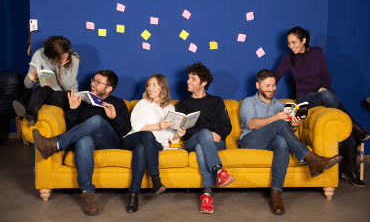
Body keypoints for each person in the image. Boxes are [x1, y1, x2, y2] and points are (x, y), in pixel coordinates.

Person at [274, 26, 369, 188]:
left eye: (294, 42)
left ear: (304, 41)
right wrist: (266, 91)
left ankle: (350, 171)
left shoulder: (316, 52)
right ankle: (357, 127)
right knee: (328, 96)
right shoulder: (288, 57)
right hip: (305, 99)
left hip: (323, 95)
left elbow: (326, 75)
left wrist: (324, 86)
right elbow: (275, 76)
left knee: (341, 122)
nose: (291, 46)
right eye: (289, 43)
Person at [238, 69, 342, 215]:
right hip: (250, 141)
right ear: (258, 85)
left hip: (272, 142)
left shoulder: (280, 105)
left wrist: (293, 126)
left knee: (281, 140)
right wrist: (277, 119)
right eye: (267, 85)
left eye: (273, 85)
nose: (271, 89)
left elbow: (284, 131)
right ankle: (311, 158)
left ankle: (276, 194)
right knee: (279, 123)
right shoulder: (248, 102)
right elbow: (252, 125)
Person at [32, 70, 131, 216]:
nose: (92, 84)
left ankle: (56, 144)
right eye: (93, 80)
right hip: (86, 142)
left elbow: (126, 132)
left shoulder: (118, 103)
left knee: (96, 120)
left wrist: (114, 118)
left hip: (109, 142)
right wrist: (73, 109)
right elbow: (74, 130)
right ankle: (88, 195)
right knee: (83, 141)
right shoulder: (83, 101)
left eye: (98, 82)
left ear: (108, 88)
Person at [175, 62, 235, 214]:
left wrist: (217, 135)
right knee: (204, 134)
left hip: (216, 142)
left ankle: (207, 195)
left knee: (202, 147)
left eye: (193, 79)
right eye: (189, 78)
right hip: (192, 141)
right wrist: (206, 133)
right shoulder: (182, 105)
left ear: (203, 82)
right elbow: (186, 132)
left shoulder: (217, 101)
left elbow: (227, 126)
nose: (188, 81)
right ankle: (219, 171)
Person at [122, 74, 185, 213]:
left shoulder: (170, 109)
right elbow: (137, 127)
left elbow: (169, 135)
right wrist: (158, 126)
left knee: (141, 149)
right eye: (148, 85)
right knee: (146, 136)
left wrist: (177, 134)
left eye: (154, 85)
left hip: (155, 145)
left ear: (163, 87)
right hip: (132, 139)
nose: (150, 88)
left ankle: (133, 196)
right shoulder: (142, 104)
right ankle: (155, 178)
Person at [13, 36, 81, 126]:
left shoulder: (74, 58)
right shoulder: (39, 54)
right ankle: (31, 115)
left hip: (66, 92)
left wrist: (58, 66)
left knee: (57, 96)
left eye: (67, 53)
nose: (67, 57)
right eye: (62, 58)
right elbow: (28, 86)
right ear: (52, 58)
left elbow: (68, 87)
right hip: (46, 90)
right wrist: (30, 79)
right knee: (40, 89)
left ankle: (32, 108)